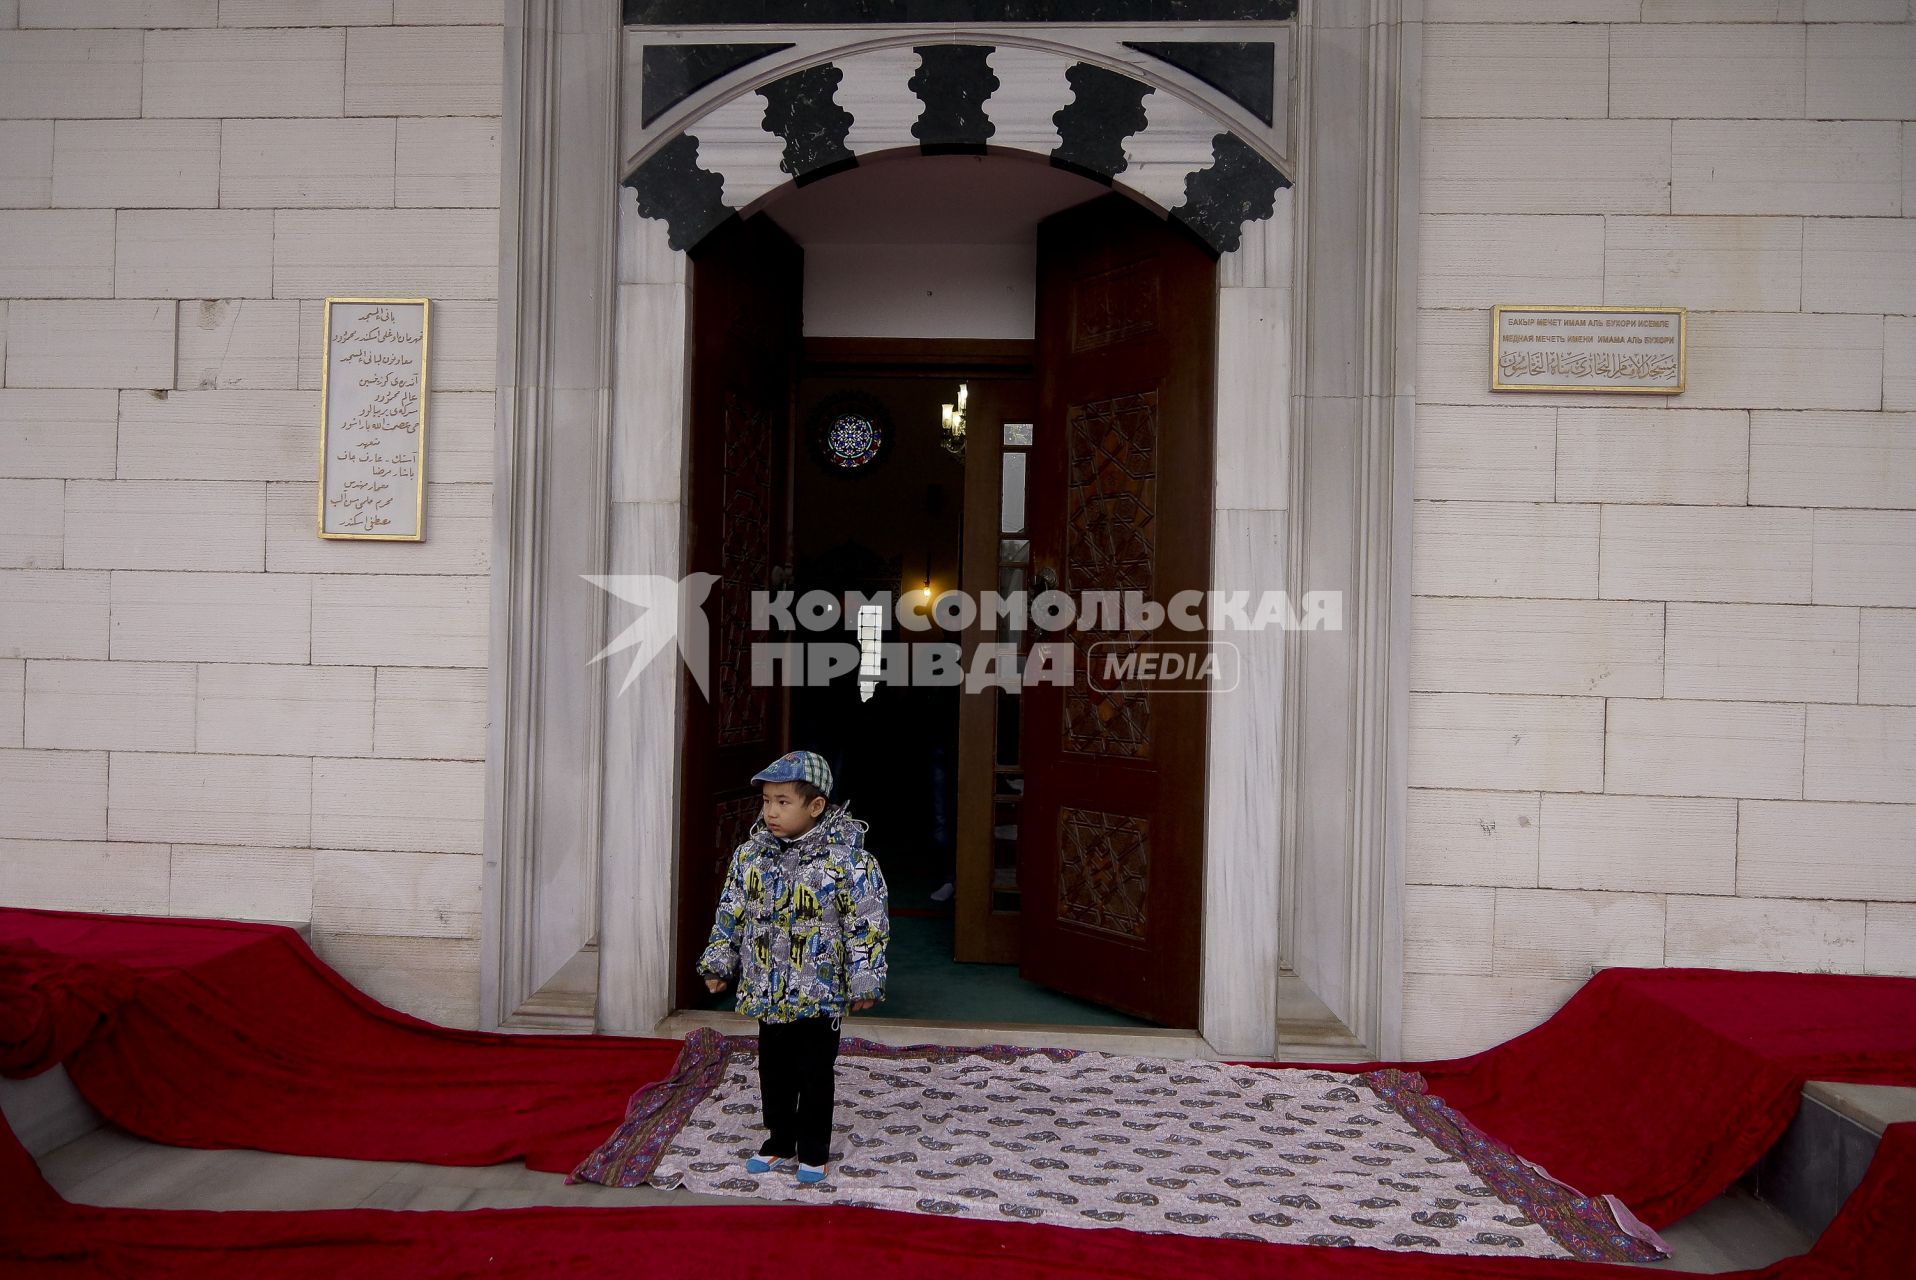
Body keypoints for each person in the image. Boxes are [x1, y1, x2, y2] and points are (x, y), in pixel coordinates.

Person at [697, 749, 890, 1185]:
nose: (771, 811)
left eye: (783, 802)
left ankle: (813, 1148)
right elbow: (730, 913)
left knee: (815, 1072)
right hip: (768, 989)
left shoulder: (850, 865)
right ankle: (779, 1139)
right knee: (774, 1070)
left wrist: (864, 979)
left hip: (820, 996)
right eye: (766, 801)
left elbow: (867, 925)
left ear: (815, 806)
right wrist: (719, 963)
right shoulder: (751, 857)